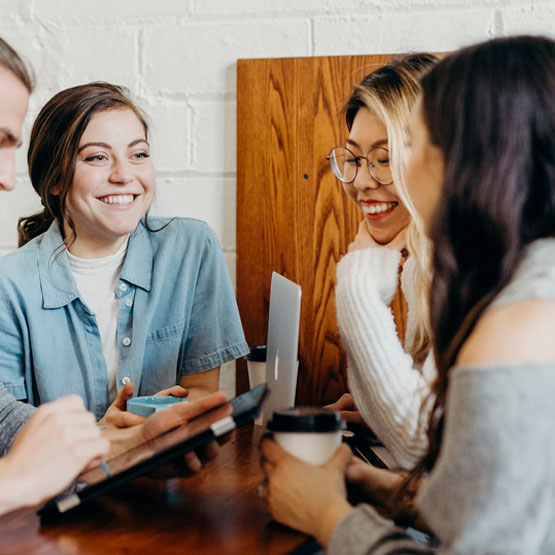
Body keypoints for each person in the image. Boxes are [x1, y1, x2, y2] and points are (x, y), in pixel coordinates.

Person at [262, 35, 555, 552]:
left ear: (474, 160)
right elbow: (489, 501)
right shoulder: (521, 282)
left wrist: (329, 516)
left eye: (411, 145)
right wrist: (386, 491)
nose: (368, 180)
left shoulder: (518, 324)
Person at [0, 82, 249, 426]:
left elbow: (201, 391)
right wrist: (106, 440)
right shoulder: (8, 286)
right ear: (54, 180)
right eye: (97, 157)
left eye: (139, 155)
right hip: (65, 478)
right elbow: (10, 429)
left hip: (168, 471)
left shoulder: (192, 249)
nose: (124, 175)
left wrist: (160, 423)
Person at [327, 53, 439, 469]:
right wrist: (376, 412)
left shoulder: (472, 270)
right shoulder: (422, 265)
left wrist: (358, 284)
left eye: (385, 158)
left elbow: (420, 446)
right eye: (354, 158)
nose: (360, 181)